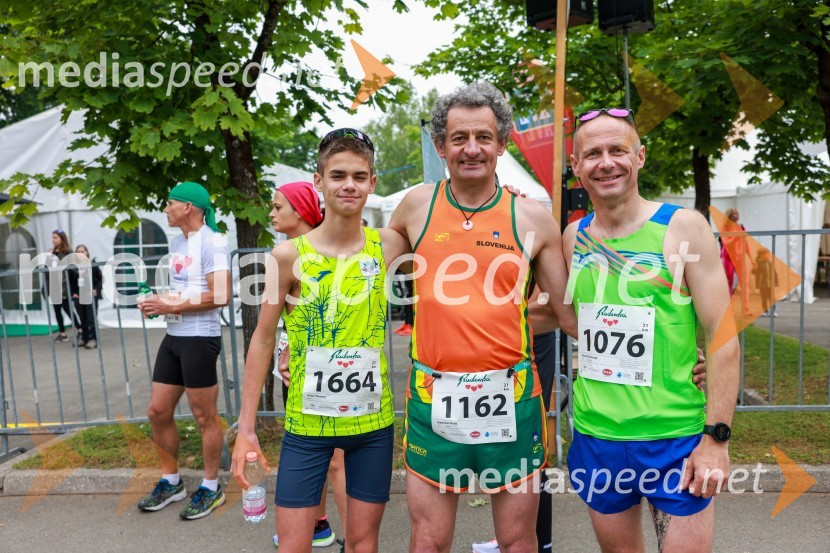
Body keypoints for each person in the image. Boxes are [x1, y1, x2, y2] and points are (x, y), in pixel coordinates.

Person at [387, 82, 576, 553]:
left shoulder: (533, 217)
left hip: (511, 397)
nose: (472, 149)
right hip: (434, 399)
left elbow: (569, 315)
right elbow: (360, 273)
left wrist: (674, 353)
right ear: (440, 145)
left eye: (484, 137)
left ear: (502, 143)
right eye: (458, 138)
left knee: (516, 540)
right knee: (428, 539)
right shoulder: (414, 207)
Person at [562, 107, 740, 552]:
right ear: (575, 166)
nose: (606, 162)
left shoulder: (682, 228)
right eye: (593, 153)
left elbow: (723, 335)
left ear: (640, 156)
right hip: (597, 434)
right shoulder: (573, 237)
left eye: (617, 150)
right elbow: (570, 317)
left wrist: (715, 438)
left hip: (674, 436)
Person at [231, 128, 410, 553]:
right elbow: (262, 338)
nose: (349, 184)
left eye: (359, 176)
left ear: (372, 183)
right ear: (319, 181)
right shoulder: (289, 256)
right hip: (308, 427)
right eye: (338, 175)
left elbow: (446, 218)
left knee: (363, 544)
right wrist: (246, 428)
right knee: (294, 546)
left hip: (372, 426)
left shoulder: (387, 246)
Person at [136, 181, 231, 521]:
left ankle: (210, 486)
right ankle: (171, 481)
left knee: (204, 415)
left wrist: (168, 303)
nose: (165, 209)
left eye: (169, 203)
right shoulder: (177, 242)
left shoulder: (214, 241)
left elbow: (220, 295)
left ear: (188, 206)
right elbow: (185, 290)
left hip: (199, 339)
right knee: (157, 410)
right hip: (174, 336)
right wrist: (158, 302)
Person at [269, 180, 345, 548]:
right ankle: (317, 523)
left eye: (278, 206)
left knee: (336, 459)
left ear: (300, 211)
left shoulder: (327, 249)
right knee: (314, 452)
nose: (271, 213)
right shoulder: (285, 253)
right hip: (299, 365)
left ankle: (354, 538)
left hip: (335, 368)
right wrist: (286, 349)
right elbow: (288, 317)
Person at [47, 229, 81, 343]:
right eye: (52, 237)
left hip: (65, 285)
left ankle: (79, 328)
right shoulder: (52, 251)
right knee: (57, 310)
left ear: (62, 239)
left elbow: (73, 269)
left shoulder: (68, 251)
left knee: (67, 309)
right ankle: (62, 333)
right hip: (54, 285)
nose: (53, 240)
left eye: (55, 237)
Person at [67, 244, 103, 349]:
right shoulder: (73, 268)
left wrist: (96, 289)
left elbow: (99, 280)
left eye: (83, 251)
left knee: (91, 318)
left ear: (87, 253)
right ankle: (85, 338)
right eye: (78, 252)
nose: (81, 254)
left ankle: (93, 339)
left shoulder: (93, 265)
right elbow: (71, 282)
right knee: (83, 318)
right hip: (79, 297)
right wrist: (73, 293)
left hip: (91, 296)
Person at [720, 208, 753, 316]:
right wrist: (736, 235)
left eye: (737, 213)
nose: (736, 215)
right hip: (728, 256)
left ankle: (746, 309)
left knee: (745, 283)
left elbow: (745, 242)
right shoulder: (724, 228)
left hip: (740, 257)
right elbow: (726, 242)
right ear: (729, 215)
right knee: (728, 282)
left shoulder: (741, 227)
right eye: (733, 214)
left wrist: (751, 256)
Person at [753, 248, 779, 317]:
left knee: (771, 298)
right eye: (766, 254)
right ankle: (765, 311)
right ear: (761, 256)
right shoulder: (758, 263)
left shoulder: (770, 263)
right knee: (764, 298)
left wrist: (776, 282)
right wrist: (755, 268)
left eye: (768, 254)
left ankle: (773, 311)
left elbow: (775, 273)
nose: (768, 256)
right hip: (763, 285)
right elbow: (754, 272)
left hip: (770, 284)